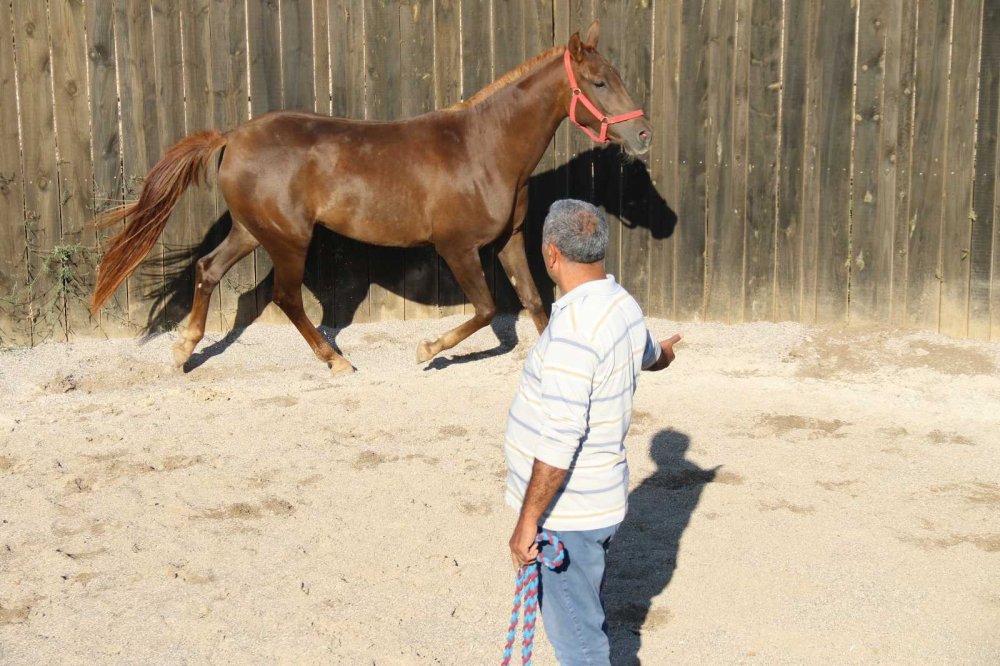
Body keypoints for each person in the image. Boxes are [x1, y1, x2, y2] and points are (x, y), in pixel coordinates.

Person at [504, 199, 681, 664]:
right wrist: (664, 352)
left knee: (580, 645)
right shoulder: (621, 305)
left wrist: (527, 522)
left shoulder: (574, 331)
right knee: (584, 612)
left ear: (551, 255)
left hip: (568, 513)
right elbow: (647, 353)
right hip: (600, 499)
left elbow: (561, 439)